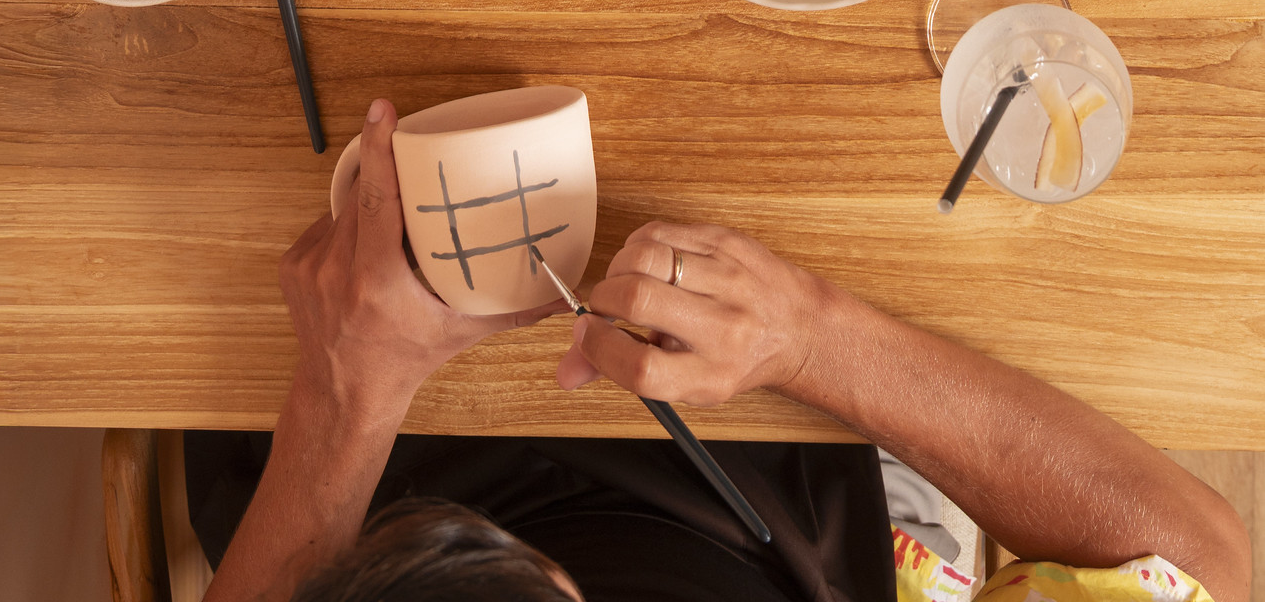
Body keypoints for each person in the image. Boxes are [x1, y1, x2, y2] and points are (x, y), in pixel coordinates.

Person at [193, 98, 1251, 602]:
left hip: (368, 486)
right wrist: (812, 336)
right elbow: (1194, 562)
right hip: (781, 520)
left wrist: (342, 398)